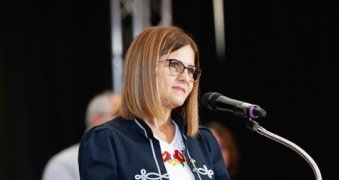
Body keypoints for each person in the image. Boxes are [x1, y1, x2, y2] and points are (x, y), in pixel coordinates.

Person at [78, 26, 231, 180]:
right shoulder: (106, 140)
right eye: (174, 65)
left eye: (191, 70)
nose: (186, 78)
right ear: (145, 68)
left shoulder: (204, 140)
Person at [42, 91, 121, 180]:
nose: (125, 126)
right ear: (97, 120)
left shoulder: (127, 159)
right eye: (119, 118)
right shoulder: (63, 164)